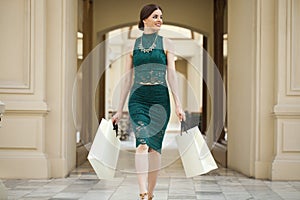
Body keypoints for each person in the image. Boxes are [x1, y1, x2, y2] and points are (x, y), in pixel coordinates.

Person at [112, 4, 185, 200]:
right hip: (138, 99)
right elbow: (127, 79)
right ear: (145, 19)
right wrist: (119, 110)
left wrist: (178, 104)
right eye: (155, 16)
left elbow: (172, 75)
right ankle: (142, 192)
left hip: (160, 100)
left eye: (161, 16)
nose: (160, 19)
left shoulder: (167, 44)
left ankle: (151, 193)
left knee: (154, 149)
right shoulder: (132, 46)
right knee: (142, 144)